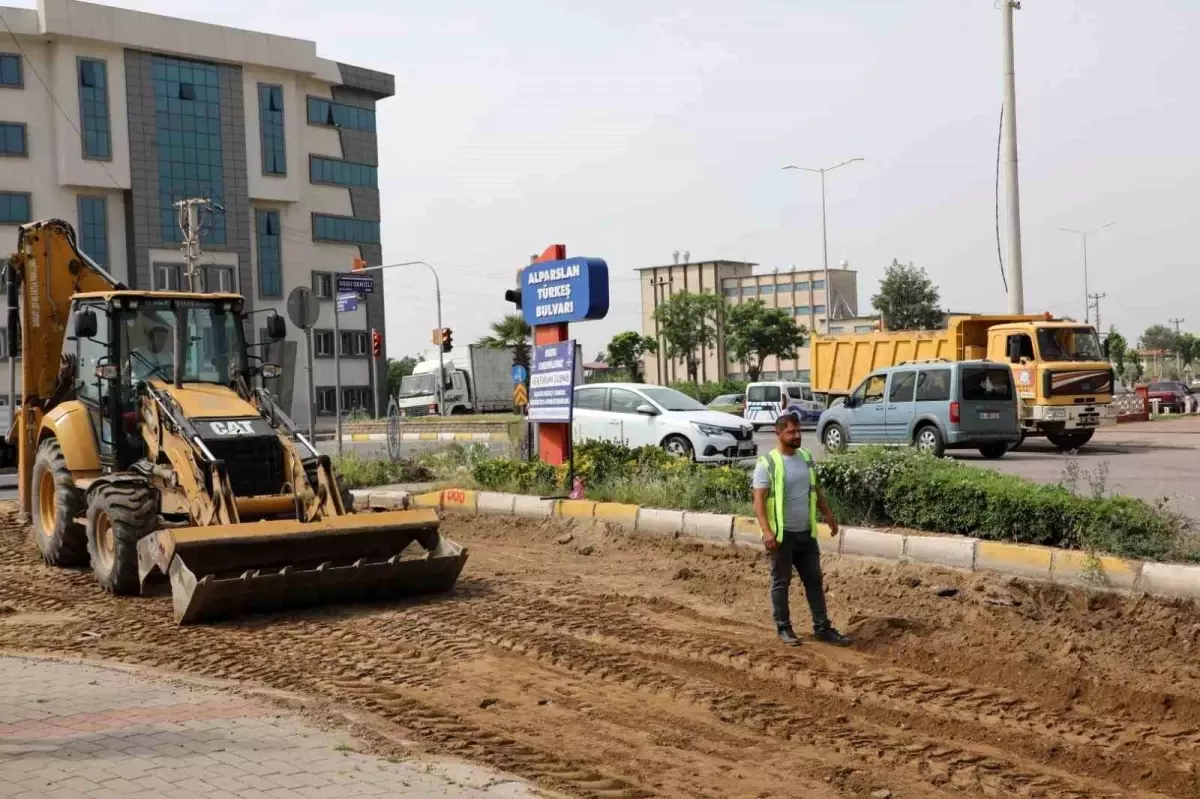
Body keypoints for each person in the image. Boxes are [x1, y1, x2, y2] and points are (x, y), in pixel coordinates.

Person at [752, 409, 852, 647]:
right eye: (791, 431)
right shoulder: (767, 463)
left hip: (806, 535)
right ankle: (784, 628)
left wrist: (827, 513)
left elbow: (815, 489)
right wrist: (767, 532)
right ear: (778, 433)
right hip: (781, 536)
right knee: (781, 582)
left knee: (814, 581)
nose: (797, 435)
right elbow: (758, 502)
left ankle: (822, 628)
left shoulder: (805, 457)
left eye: (798, 430)